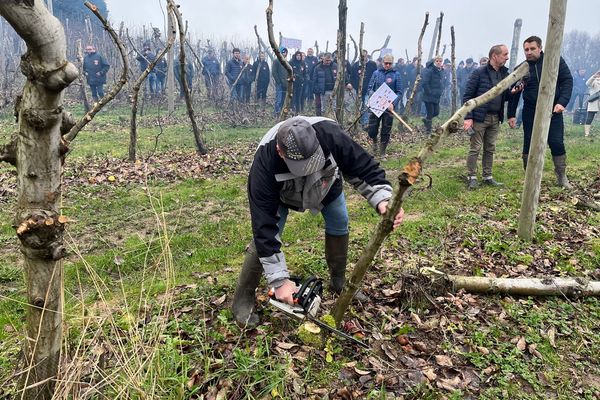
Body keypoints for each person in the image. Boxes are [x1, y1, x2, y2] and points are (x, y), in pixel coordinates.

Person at [231, 116, 405, 328]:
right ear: (280, 152)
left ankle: (339, 281)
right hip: (284, 195)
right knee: (266, 236)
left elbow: (362, 166)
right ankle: (243, 300)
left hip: (326, 183)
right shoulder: (264, 166)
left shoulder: (331, 135)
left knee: (340, 220)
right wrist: (279, 282)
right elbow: (264, 227)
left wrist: (383, 200)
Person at [507, 35, 574, 189]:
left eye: (532, 49)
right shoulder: (522, 68)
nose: (529, 52)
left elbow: (567, 81)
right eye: (526, 50)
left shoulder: (554, 60)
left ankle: (561, 176)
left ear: (540, 48)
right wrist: (511, 114)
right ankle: (530, 178)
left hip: (552, 110)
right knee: (529, 144)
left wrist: (562, 102)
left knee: (556, 142)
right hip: (530, 111)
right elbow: (514, 92)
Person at [463, 44, 512, 190]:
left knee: (490, 148)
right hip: (479, 117)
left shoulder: (504, 73)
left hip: (495, 117)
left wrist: (514, 91)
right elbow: (467, 96)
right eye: (504, 54)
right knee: (475, 148)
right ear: (494, 56)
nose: (507, 57)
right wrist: (468, 117)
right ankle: (471, 176)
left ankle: (487, 176)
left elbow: (505, 96)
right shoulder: (479, 73)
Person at [366, 54, 403, 156]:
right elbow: (370, 88)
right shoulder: (376, 73)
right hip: (376, 105)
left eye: (389, 63)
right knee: (372, 128)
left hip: (389, 108)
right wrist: (374, 96)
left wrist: (393, 104)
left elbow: (399, 92)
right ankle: (374, 143)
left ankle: (382, 152)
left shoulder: (397, 75)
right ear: (382, 63)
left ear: (392, 63)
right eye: (386, 63)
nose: (387, 65)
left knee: (386, 129)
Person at [350, 49, 378, 128]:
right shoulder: (355, 65)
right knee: (359, 106)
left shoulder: (372, 64)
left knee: (366, 105)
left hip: (369, 89)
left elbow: (376, 76)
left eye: (364, 56)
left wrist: (374, 87)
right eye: (361, 56)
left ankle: (365, 123)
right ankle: (359, 121)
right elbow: (352, 77)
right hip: (358, 89)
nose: (363, 58)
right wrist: (353, 85)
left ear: (367, 56)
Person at [421, 55, 444, 134]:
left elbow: (441, 82)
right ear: (434, 62)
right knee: (430, 112)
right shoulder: (430, 70)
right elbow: (425, 83)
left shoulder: (440, 71)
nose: (438, 63)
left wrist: (441, 91)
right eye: (437, 61)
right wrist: (429, 92)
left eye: (440, 61)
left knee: (436, 112)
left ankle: (426, 120)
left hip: (436, 95)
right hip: (429, 96)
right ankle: (428, 130)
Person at [312, 52, 337, 116]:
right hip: (324, 91)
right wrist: (318, 89)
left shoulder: (335, 66)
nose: (328, 62)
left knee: (334, 108)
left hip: (333, 90)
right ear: (323, 59)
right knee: (324, 108)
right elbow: (314, 80)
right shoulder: (318, 68)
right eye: (326, 60)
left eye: (329, 60)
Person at [272, 47, 289, 116]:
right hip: (279, 84)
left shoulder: (287, 62)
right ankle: (276, 112)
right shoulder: (276, 61)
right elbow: (274, 72)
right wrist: (278, 82)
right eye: (283, 52)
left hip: (286, 83)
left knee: (283, 99)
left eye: (285, 52)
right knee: (278, 99)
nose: (284, 54)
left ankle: (282, 112)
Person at [584, 70, 600, 137]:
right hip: (594, 102)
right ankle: (587, 133)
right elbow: (587, 83)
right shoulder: (594, 81)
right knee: (589, 118)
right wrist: (593, 76)